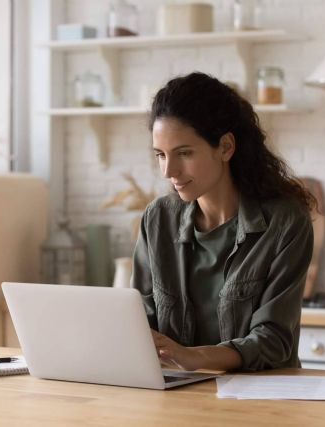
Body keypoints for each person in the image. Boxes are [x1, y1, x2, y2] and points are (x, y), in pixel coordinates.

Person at [131, 72, 315, 372]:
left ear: (226, 147)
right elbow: (139, 318)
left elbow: (274, 340)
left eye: (184, 153)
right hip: (177, 397)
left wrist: (195, 357)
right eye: (160, 155)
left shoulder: (284, 222)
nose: (168, 171)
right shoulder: (158, 218)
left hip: (261, 401)